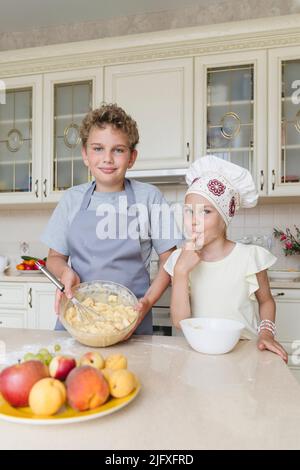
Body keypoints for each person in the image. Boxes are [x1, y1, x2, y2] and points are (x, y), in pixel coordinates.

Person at [41, 103, 180, 335]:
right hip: (78, 317)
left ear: (132, 157)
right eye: (98, 148)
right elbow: (54, 258)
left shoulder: (150, 198)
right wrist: (65, 272)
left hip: (131, 318)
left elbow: (170, 261)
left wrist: (146, 303)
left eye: (118, 150)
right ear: (85, 154)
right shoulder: (72, 200)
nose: (107, 158)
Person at [164, 155, 288, 362]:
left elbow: (266, 301)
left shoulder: (250, 257)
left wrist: (267, 333)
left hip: (244, 353)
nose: (194, 221)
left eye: (206, 212)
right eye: (189, 211)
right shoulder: (180, 259)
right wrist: (181, 271)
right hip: (198, 354)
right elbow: (179, 321)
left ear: (225, 218)